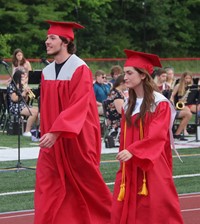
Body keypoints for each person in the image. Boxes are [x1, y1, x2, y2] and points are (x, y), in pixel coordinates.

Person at [34, 20, 112, 224]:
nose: (47, 42)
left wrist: (57, 131)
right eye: (47, 37)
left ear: (66, 41)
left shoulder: (80, 68)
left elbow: (79, 105)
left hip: (77, 136)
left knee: (85, 183)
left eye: (52, 38)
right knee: (48, 182)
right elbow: (46, 107)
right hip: (52, 138)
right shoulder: (46, 72)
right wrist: (47, 131)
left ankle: (106, 219)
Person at [111, 49, 183, 224]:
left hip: (151, 164)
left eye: (129, 73)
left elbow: (156, 136)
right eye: (124, 73)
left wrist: (133, 151)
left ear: (143, 75)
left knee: (156, 209)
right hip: (129, 164)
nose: (124, 77)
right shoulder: (128, 103)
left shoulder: (159, 103)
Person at [154, 68, 192, 140]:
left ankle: (177, 134)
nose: (165, 78)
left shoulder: (167, 86)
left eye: (165, 76)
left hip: (168, 109)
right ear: (158, 77)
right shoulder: (153, 86)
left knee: (188, 114)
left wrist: (172, 103)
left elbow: (171, 98)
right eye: (163, 76)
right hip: (157, 110)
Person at [7, 69, 38, 137]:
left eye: (24, 77)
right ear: (17, 77)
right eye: (22, 77)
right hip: (15, 107)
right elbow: (14, 99)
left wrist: (27, 93)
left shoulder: (23, 86)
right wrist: (23, 93)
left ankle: (37, 130)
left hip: (23, 105)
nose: (24, 79)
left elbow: (28, 99)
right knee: (33, 112)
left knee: (39, 110)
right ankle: (27, 131)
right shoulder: (12, 86)